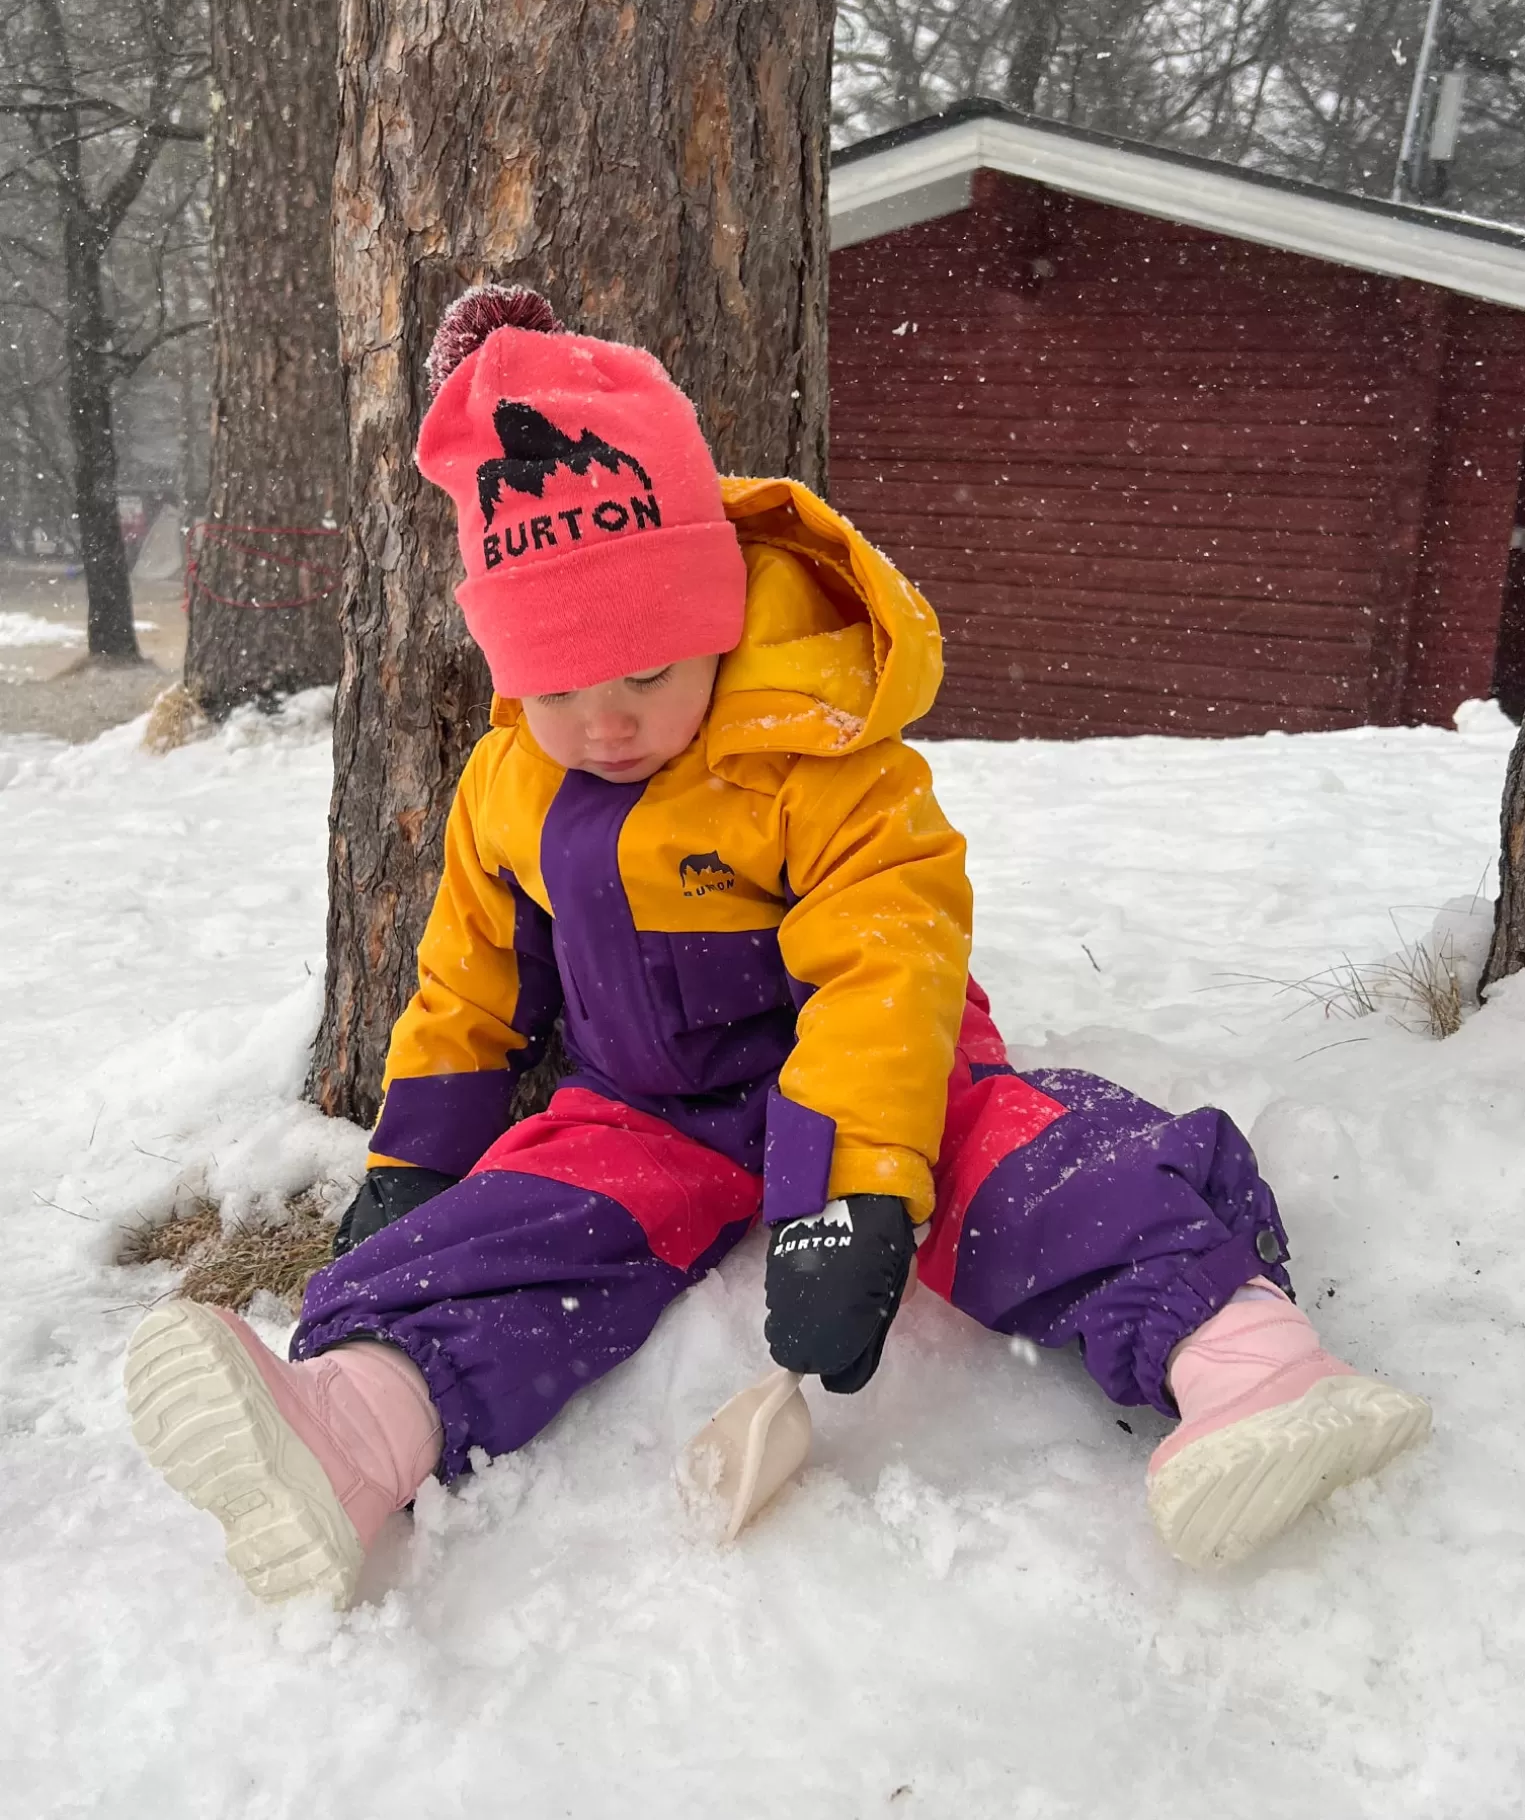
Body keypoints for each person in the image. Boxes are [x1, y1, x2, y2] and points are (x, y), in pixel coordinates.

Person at [124, 286, 1430, 1608]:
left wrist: (857, 1187)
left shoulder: (818, 753)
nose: (610, 721)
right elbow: (469, 983)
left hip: (875, 1068)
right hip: (648, 1108)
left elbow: (886, 967)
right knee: (515, 1231)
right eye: (561, 684)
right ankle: (355, 1430)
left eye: (646, 669)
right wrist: (418, 1157)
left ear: (715, 614)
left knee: (1035, 1174)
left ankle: (1249, 1368)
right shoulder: (508, 785)